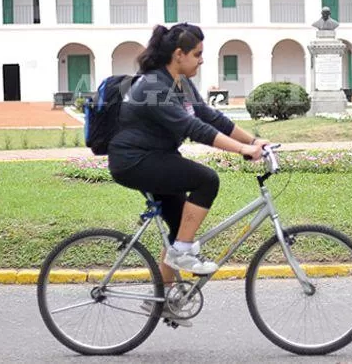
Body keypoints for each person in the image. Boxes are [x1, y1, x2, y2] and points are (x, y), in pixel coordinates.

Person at [108, 23, 269, 321]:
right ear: (179, 54)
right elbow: (192, 128)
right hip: (134, 161)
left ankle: (163, 299)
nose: (202, 60)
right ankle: (182, 253)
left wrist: (253, 141)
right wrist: (241, 150)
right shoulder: (153, 87)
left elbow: (210, 117)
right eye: (197, 54)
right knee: (206, 179)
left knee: (180, 227)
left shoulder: (180, 81)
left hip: (155, 156)